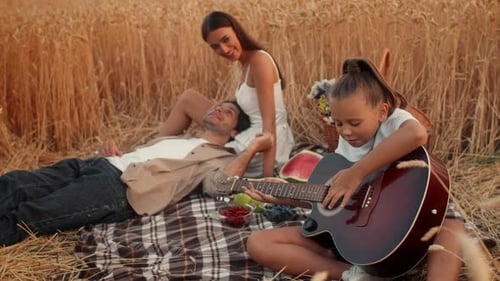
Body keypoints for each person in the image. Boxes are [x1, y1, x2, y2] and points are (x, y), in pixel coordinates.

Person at [245, 58, 466, 281]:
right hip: (353, 241)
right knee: (258, 242)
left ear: (382, 111)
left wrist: (355, 173)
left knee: (452, 229)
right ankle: (354, 275)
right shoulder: (343, 149)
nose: (346, 132)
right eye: (339, 123)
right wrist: (286, 196)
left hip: (403, 235)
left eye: (355, 123)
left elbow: (417, 134)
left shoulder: (393, 120)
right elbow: (334, 201)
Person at [0, 100, 273, 246]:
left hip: (119, 187)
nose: (219, 109)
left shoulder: (218, 158)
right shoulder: (179, 139)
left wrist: (251, 149)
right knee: (14, 184)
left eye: (228, 112)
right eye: (218, 106)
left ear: (234, 133)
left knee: (29, 216)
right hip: (100, 165)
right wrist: (109, 153)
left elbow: (221, 185)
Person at [159, 11, 295, 178]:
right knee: (188, 99)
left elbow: (270, 126)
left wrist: (268, 179)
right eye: (215, 46)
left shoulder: (259, 61)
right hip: (244, 129)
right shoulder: (245, 63)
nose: (223, 49)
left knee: (197, 151)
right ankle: (153, 149)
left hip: (261, 144)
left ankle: (156, 158)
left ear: (237, 31)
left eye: (226, 39)